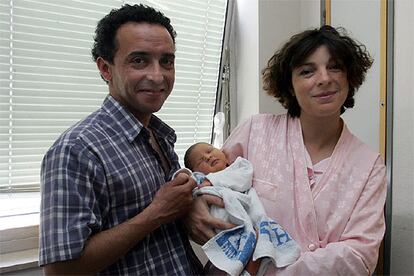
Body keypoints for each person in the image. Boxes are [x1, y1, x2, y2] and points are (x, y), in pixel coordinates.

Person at [185, 25, 387, 275]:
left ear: (350, 77)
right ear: (290, 85)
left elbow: (359, 256)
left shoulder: (369, 165)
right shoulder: (255, 131)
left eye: (335, 67)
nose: (324, 78)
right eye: (307, 71)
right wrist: (192, 205)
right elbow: (211, 189)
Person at [39, 4, 204, 275]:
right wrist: (155, 214)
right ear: (106, 69)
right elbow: (60, 270)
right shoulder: (76, 150)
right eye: (139, 60)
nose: (157, 75)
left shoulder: (160, 135)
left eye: (167, 61)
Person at [179, 142, 300, 276]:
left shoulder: (239, 166)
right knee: (225, 261)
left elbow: (244, 180)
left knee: (257, 241)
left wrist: (213, 181)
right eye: (200, 160)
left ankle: (250, 270)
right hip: (221, 228)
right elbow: (183, 182)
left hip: (246, 217)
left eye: (210, 150)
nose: (208, 157)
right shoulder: (199, 180)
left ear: (224, 155)